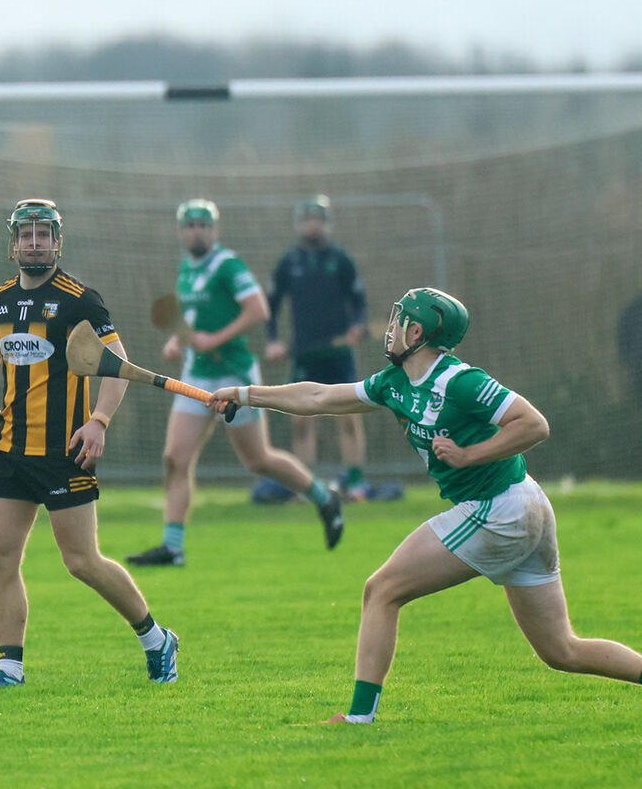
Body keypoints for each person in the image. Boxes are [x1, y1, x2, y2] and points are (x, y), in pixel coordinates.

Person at [209, 287, 642, 723]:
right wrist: (245, 394)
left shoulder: (459, 381)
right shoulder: (393, 383)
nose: (391, 326)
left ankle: (359, 719)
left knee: (381, 591)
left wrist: (469, 455)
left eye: (398, 319)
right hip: (519, 508)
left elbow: (534, 424)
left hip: (500, 508)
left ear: (416, 332)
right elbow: (319, 398)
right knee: (561, 651)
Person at [0, 198, 178, 687]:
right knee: (0, 556)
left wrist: (99, 421)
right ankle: (9, 668)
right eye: (25, 235)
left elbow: (117, 366)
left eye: (43, 235)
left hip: (65, 452)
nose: (34, 243)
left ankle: (156, 639)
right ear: (13, 243)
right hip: (12, 451)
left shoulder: (81, 300)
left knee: (81, 562)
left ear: (57, 242)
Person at [127, 199, 343, 568]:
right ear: (181, 231)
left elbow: (259, 309)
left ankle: (323, 497)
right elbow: (188, 316)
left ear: (215, 230)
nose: (197, 230)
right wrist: (178, 341)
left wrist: (216, 339)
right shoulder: (186, 269)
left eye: (203, 224)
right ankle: (173, 546)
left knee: (258, 460)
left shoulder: (227, 265)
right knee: (175, 458)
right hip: (196, 376)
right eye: (190, 224)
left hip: (234, 374)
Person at [261, 195, 379, 502]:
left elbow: (360, 302)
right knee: (300, 420)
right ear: (300, 224)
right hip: (304, 353)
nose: (313, 225)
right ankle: (306, 486)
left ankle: (355, 482)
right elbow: (269, 307)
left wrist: (357, 325)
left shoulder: (340, 259)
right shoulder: (289, 262)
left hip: (339, 354)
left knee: (350, 417)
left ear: (326, 224)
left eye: (318, 219)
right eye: (307, 219)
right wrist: (273, 339)